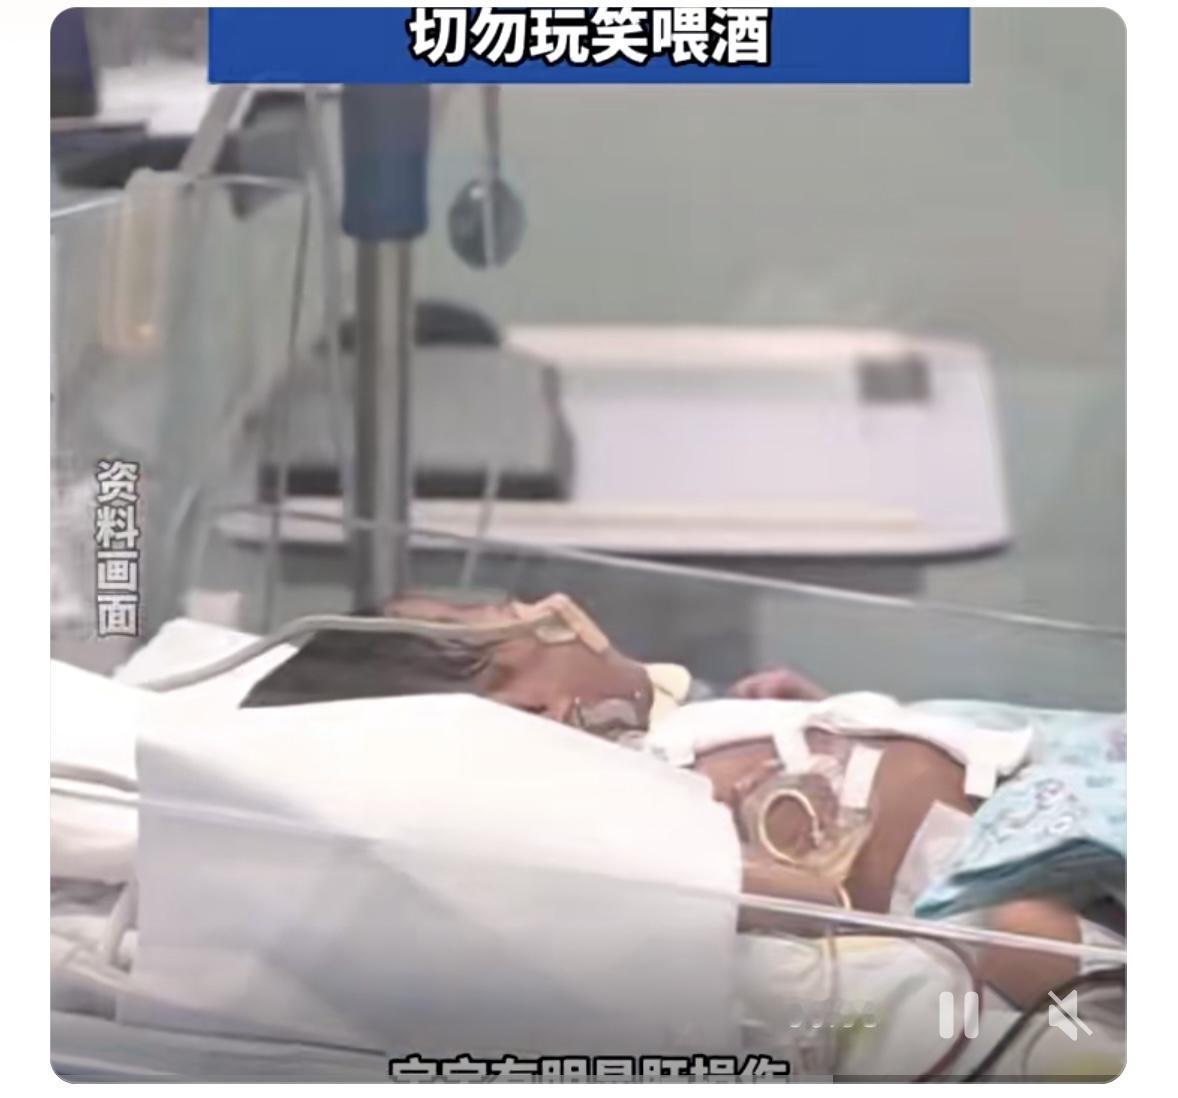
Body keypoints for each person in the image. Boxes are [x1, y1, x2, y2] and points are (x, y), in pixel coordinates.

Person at [242, 591, 1123, 1007]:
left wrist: (820, 718)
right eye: (492, 614)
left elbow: (895, 756)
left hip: (1032, 778)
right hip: (990, 870)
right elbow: (811, 893)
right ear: (543, 714)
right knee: (1028, 943)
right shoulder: (634, 801)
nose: (532, 601)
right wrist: (761, 850)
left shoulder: (684, 721)